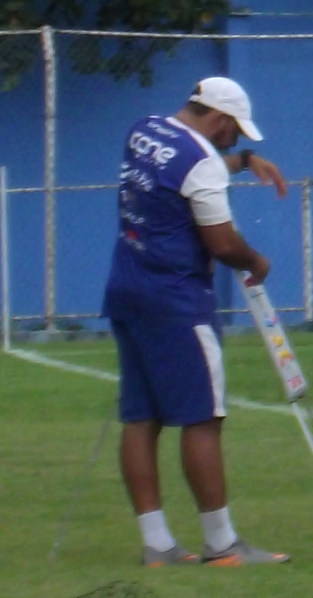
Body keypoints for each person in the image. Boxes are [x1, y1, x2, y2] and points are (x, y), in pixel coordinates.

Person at [104, 77, 290, 567]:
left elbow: (180, 174)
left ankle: (157, 544)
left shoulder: (143, 131)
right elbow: (222, 243)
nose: (236, 141)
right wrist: (257, 262)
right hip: (176, 299)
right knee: (203, 417)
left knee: (140, 417)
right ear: (220, 120)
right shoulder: (203, 161)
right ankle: (222, 544)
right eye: (237, 135)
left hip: (127, 287)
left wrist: (244, 164)